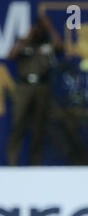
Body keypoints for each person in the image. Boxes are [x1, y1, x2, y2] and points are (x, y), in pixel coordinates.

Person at [7, 14, 63, 165]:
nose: (39, 31)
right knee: (18, 124)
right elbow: (11, 55)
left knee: (39, 127)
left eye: (41, 29)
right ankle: (13, 165)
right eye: (37, 28)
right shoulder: (25, 43)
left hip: (42, 87)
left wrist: (50, 27)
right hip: (24, 87)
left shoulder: (47, 44)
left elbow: (59, 46)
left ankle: (35, 166)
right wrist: (27, 37)